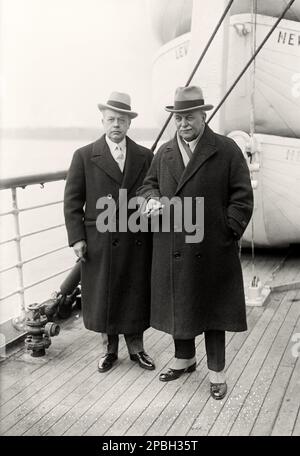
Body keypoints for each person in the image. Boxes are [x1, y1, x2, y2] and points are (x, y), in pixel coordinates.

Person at [137, 86, 253, 399]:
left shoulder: (226, 149)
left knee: (213, 310)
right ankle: (184, 358)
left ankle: (217, 372)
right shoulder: (164, 153)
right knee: (180, 304)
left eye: (189, 116)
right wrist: (152, 199)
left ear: (204, 115)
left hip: (212, 247)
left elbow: (242, 197)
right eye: (178, 118)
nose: (183, 123)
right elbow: (146, 187)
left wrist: (228, 230)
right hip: (173, 243)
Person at [64, 91, 155, 373]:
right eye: (111, 119)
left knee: (135, 293)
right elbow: (72, 201)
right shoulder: (84, 156)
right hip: (99, 240)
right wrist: (77, 238)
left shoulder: (144, 155)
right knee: (105, 295)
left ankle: (137, 349)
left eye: (122, 120)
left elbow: (151, 191)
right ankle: (109, 349)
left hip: (136, 238)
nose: (116, 124)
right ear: (103, 121)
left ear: (129, 124)